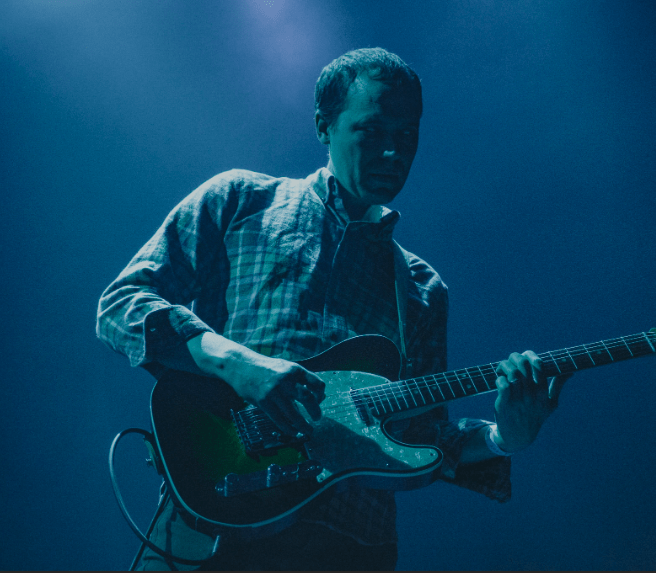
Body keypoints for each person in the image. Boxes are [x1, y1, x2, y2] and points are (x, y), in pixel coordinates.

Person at [97, 47, 570, 571]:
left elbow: (423, 439)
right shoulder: (239, 201)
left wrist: (507, 437)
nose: (393, 152)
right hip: (219, 521)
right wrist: (240, 366)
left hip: (351, 545)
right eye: (372, 131)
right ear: (324, 126)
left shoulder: (421, 288)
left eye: (407, 135)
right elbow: (121, 304)